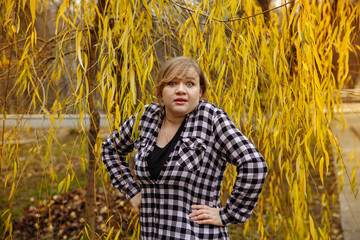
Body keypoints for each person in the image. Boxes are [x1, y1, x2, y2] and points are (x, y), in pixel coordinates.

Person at [101, 56, 268, 239]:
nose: (181, 90)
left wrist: (228, 214)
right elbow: (111, 149)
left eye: (189, 84)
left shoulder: (211, 119)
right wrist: (132, 191)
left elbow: (254, 164)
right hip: (151, 234)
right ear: (161, 90)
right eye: (172, 83)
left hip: (196, 234)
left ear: (200, 91)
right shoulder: (145, 118)